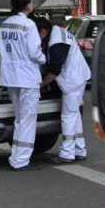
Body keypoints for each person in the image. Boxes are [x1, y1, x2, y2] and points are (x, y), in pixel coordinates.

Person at [0, 0, 46, 171]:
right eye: (32, 2)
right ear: (26, 5)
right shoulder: (28, 25)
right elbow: (34, 52)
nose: (33, 4)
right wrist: (44, 59)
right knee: (28, 120)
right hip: (27, 77)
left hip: (10, 77)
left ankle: (16, 158)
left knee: (19, 119)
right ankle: (21, 161)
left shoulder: (5, 24)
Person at [36, 18, 91, 164]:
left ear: (43, 31)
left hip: (73, 80)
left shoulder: (56, 42)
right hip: (77, 76)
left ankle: (67, 153)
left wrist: (40, 85)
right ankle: (80, 149)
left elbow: (54, 70)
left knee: (68, 116)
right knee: (74, 114)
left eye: (36, 35)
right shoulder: (57, 32)